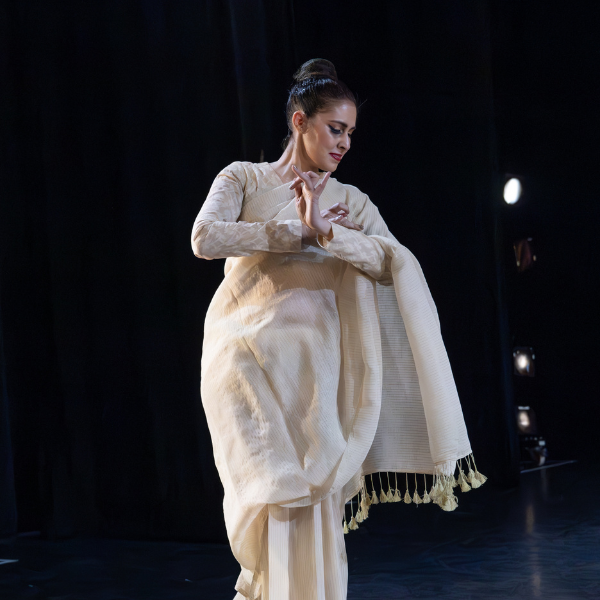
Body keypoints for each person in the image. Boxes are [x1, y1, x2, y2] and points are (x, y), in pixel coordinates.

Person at [191, 58, 485, 600]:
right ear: (299, 121)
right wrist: (294, 231)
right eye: (335, 128)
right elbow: (205, 238)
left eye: (351, 132)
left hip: (315, 379)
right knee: (268, 501)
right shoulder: (243, 178)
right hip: (243, 364)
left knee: (313, 503)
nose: (345, 142)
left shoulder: (352, 203)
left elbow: (392, 262)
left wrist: (330, 235)